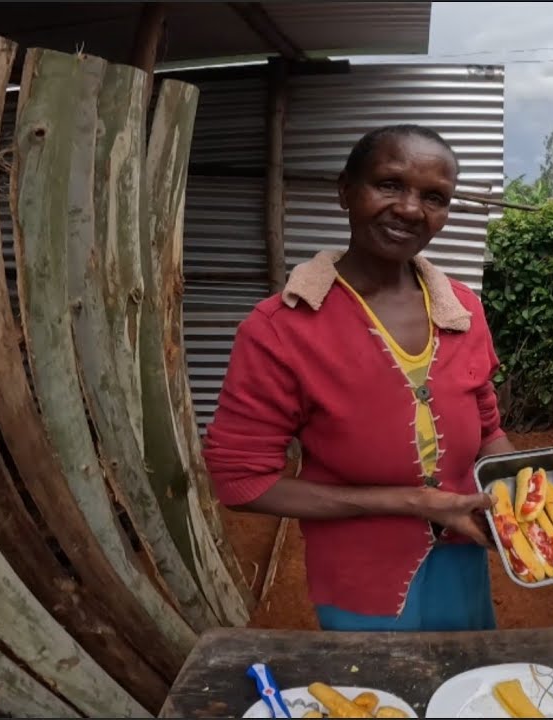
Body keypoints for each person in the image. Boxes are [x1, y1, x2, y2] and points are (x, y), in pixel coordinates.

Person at [203, 124, 517, 632]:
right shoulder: (281, 330)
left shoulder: (462, 309)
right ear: (346, 191)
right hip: (359, 571)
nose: (411, 209)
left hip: (463, 552)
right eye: (390, 185)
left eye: (434, 197)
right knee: (379, 697)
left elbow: (488, 430)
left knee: (463, 681)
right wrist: (414, 502)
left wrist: (534, 485)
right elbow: (242, 482)